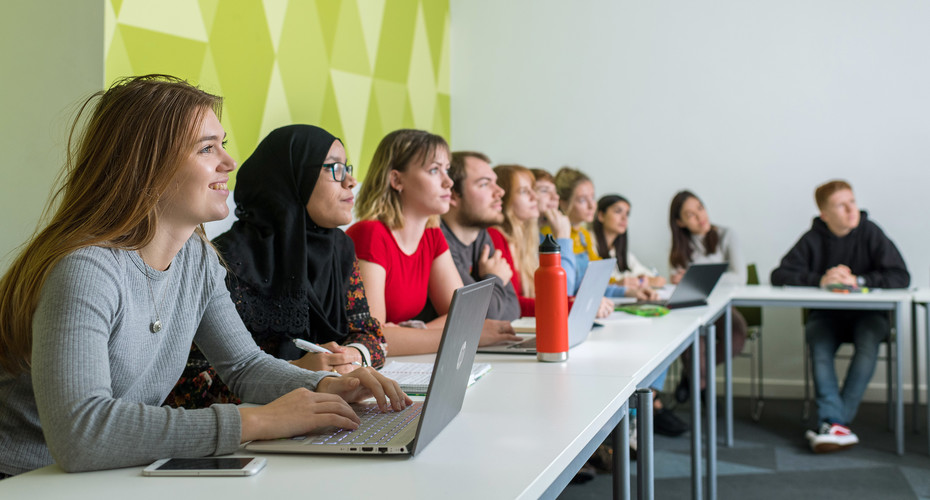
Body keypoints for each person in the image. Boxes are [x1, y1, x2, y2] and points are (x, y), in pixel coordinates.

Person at [0, 75, 409, 477]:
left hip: (107, 475)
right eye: (206, 148)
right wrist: (256, 422)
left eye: (223, 145)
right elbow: (79, 436)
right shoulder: (86, 271)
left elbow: (245, 366)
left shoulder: (197, 257)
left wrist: (322, 386)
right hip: (29, 481)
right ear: (147, 167)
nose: (229, 162)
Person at [166, 124, 388, 410]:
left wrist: (349, 357)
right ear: (293, 178)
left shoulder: (340, 249)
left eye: (347, 168)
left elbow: (372, 335)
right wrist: (297, 370)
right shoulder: (224, 261)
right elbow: (191, 385)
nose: (350, 181)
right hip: (251, 424)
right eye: (334, 169)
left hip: (323, 409)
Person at [347, 130, 519, 356]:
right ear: (397, 180)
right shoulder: (370, 234)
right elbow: (372, 340)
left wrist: (413, 331)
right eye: (434, 170)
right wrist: (469, 335)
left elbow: (464, 315)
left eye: (446, 170)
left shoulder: (432, 235)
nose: (448, 182)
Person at [770, 180, 909, 453]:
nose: (851, 209)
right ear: (825, 214)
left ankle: (833, 421)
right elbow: (779, 275)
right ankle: (837, 424)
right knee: (818, 341)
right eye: (840, 205)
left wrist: (860, 280)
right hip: (828, 317)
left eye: (852, 202)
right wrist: (820, 280)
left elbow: (901, 276)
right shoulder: (813, 238)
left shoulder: (871, 232)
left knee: (868, 343)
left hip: (869, 317)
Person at [591, 194, 684, 436]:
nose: (624, 218)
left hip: (616, 311)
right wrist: (629, 281)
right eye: (617, 211)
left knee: (661, 336)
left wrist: (636, 280)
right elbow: (598, 278)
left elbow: (655, 278)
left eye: (627, 214)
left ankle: (647, 407)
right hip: (604, 313)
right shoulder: (589, 243)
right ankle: (646, 410)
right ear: (600, 215)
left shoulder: (621, 251)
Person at [668, 190, 747, 403]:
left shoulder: (727, 235)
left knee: (737, 337)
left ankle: (691, 375)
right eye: (691, 215)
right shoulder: (680, 248)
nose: (700, 217)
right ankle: (702, 386)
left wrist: (698, 277)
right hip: (694, 307)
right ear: (680, 222)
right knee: (695, 341)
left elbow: (740, 277)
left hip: (722, 305)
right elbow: (680, 283)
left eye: (700, 208)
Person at [439, 151, 520, 321]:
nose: (500, 191)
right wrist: (494, 278)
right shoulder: (440, 239)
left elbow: (513, 310)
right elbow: (481, 317)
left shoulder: (480, 235)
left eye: (496, 183)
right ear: (453, 194)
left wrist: (489, 291)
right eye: (485, 184)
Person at [488, 164, 541, 317]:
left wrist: (573, 301)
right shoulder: (495, 236)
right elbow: (511, 303)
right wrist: (567, 306)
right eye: (524, 192)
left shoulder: (526, 241)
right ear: (504, 199)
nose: (534, 197)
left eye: (533, 190)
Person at [531, 168, 577, 294]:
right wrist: (563, 238)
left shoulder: (540, 238)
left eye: (555, 192)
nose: (555, 197)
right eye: (544, 190)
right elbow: (563, 291)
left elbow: (573, 285)